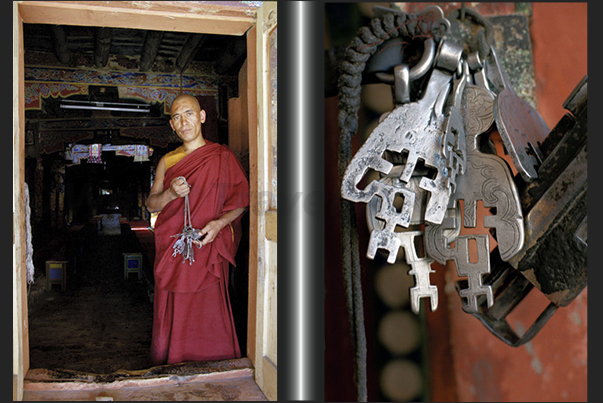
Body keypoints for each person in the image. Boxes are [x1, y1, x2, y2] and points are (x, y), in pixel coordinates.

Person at [146, 94, 249, 366]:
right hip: (174, 248)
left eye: (189, 114)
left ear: (202, 116)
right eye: (177, 117)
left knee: (208, 311)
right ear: (172, 125)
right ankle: (173, 360)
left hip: (207, 246)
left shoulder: (222, 157)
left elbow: (241, 203)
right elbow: (151, 203)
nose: (184, 121)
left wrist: (219, 224)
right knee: (175, 306)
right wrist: (169, 193)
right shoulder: (168, 161)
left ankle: (215, 363)